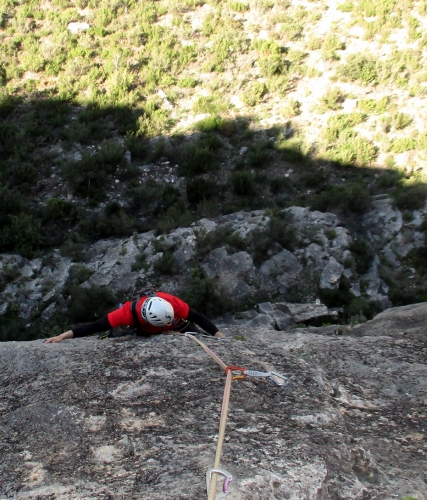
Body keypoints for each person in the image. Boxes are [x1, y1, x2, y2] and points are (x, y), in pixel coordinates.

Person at [45, 291, 225, 343]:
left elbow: (198, 318)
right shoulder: (127, 314)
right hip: (143, 330)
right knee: (128, 336)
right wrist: (63, 336)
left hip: (176, 325)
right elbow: (95, 326)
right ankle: (115, 335)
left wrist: (220, 338)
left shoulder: (170, 302)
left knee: (197, 337)